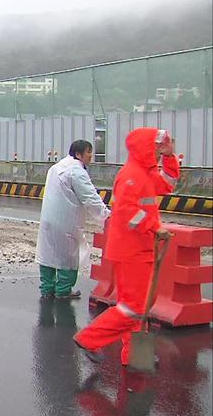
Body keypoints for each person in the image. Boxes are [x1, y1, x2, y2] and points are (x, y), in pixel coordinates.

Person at [74, 128, 178, 366]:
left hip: (140, 249)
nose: (157, 151)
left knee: (141, 304)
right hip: (131, 252)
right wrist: (155, 227)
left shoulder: (145, 173)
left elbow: (168, 184)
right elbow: (128, 212)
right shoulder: (131, 175)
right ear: (143, 147)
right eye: (155, 147)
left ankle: (135, 355)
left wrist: (170, 156)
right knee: (133, 307)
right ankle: (89, 339)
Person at [36, 139, 111, 299]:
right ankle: (63, 290)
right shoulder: (76, 171)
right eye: (88, 152)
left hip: (48, 219)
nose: (91, 155)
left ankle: (47, 288)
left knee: (48, 254)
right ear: (78, 154)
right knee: (67, 256)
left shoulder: (56, 168)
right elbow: (90, 197)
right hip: (66, 221)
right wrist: (106, 216)